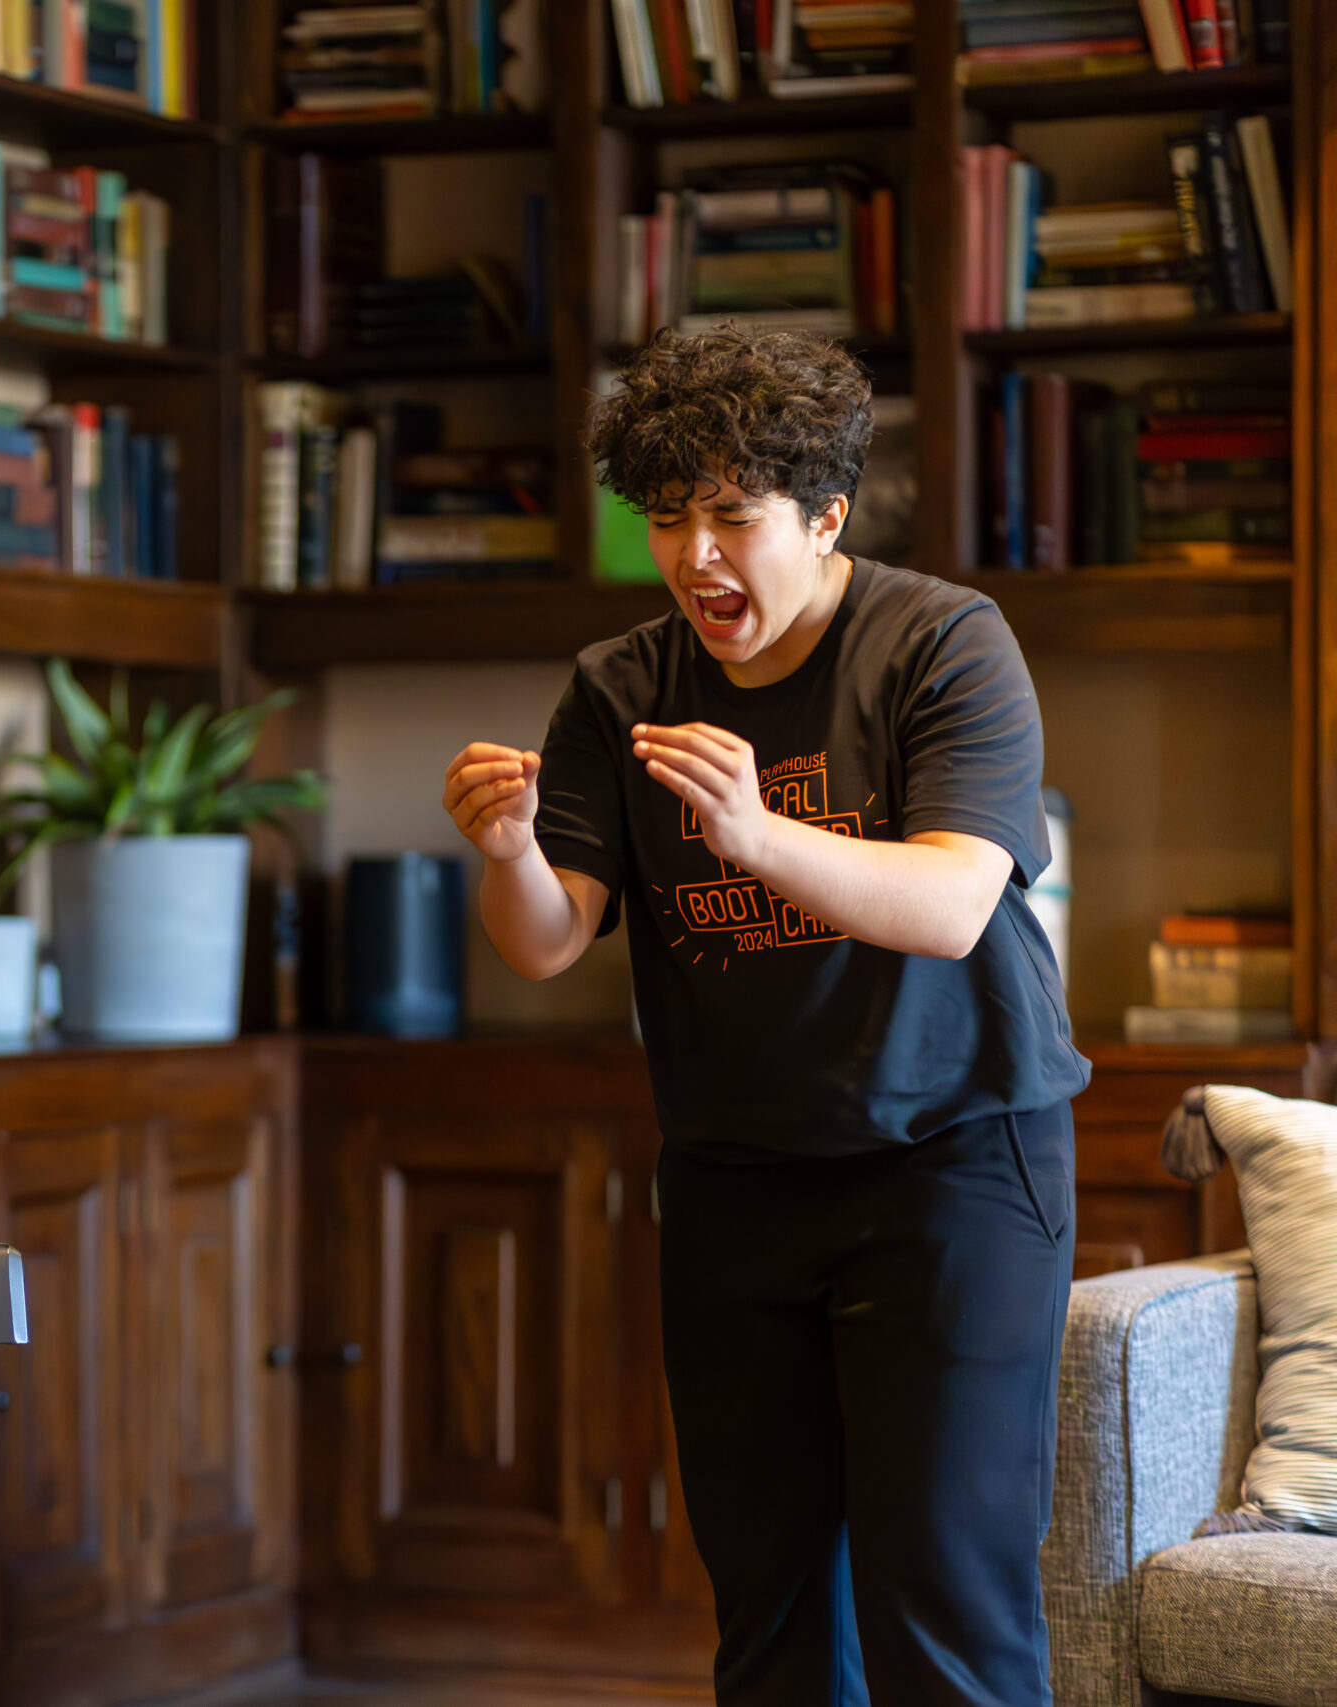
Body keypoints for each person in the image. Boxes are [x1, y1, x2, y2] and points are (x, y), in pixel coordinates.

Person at [442, 328, 1089, 1705]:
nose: (696, 557)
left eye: (734, 515)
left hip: (954, 1164)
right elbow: (547, 940)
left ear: (826, 515)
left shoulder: (942, 642)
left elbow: (949, 903)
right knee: (770, 1610)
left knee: (945, 1602)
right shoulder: (620, 686)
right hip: (734, 1177)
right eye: (667, 518)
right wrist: (504, 852)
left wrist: (755, 833)